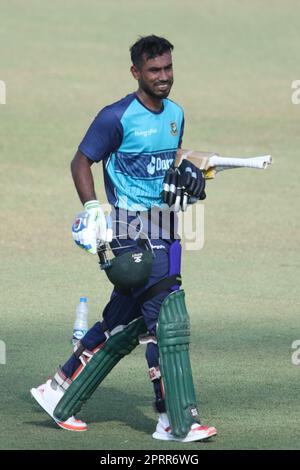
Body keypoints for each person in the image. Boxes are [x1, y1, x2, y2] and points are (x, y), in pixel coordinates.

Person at [30, 35, 217, 442]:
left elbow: (174, 162)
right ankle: (176, 420)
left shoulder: (176, 113)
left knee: (126, 322)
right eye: (154, 70)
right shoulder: (116, 117)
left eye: (168, 68)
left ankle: (59, 389)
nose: (164, 77)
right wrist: (94, 208)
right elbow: (82, 160)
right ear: (136, 73)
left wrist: (192, 179)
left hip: (167, 226)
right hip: (130, 230)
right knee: (167, 318)